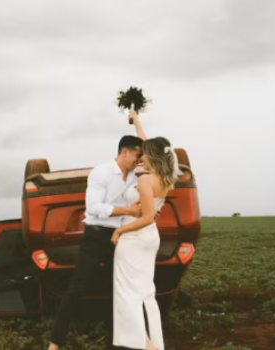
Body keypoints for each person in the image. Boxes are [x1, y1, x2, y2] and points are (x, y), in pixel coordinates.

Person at [47, 110, 149, 350]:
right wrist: (128, 211)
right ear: (124, 151)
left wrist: (136, 120)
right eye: (137, 155)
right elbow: (92, 208)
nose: (139, 160)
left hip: (121, 238)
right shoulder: (101, 172)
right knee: (76, 290)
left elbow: (150, 148)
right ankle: (54, 345)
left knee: (123, 290)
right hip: (95, 237)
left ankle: (121, 342)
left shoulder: (136, 175)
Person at [110, 112, 182, 350]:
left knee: (127, 294)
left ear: (151, 156)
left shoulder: (145, 181)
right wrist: (137, 121)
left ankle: (139, 344)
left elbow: (148, 217)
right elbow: (151, 215)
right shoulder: (166, 177)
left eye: (143, 154)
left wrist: (119, 232)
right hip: (150, 239)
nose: (140, 158)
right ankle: (151, 344)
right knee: (144, 292)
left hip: (134, 238)